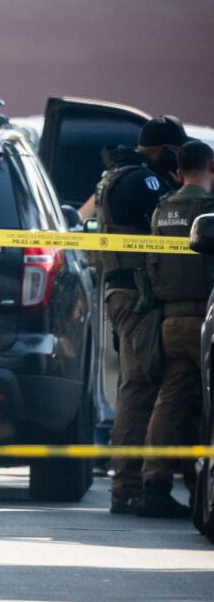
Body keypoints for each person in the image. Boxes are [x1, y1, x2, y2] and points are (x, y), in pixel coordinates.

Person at [89, 116, 184, 513]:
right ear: (162, 150)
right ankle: (129, 488)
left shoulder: (120, 175)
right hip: (136, 295)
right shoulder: (141, 182)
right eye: (174, 154)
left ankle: (133, 485)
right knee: (140, 387)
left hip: (127, 293)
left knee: (140, 384)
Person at [141, 139, 214, 517]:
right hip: (207, 316)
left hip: (170, 319)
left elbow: (152, 264)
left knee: (169, 404)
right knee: (206, 408)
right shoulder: (210, 209)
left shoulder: (162, 209)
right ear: (211, 167)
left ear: (179, 170)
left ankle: (154, 481)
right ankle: (201, 485)